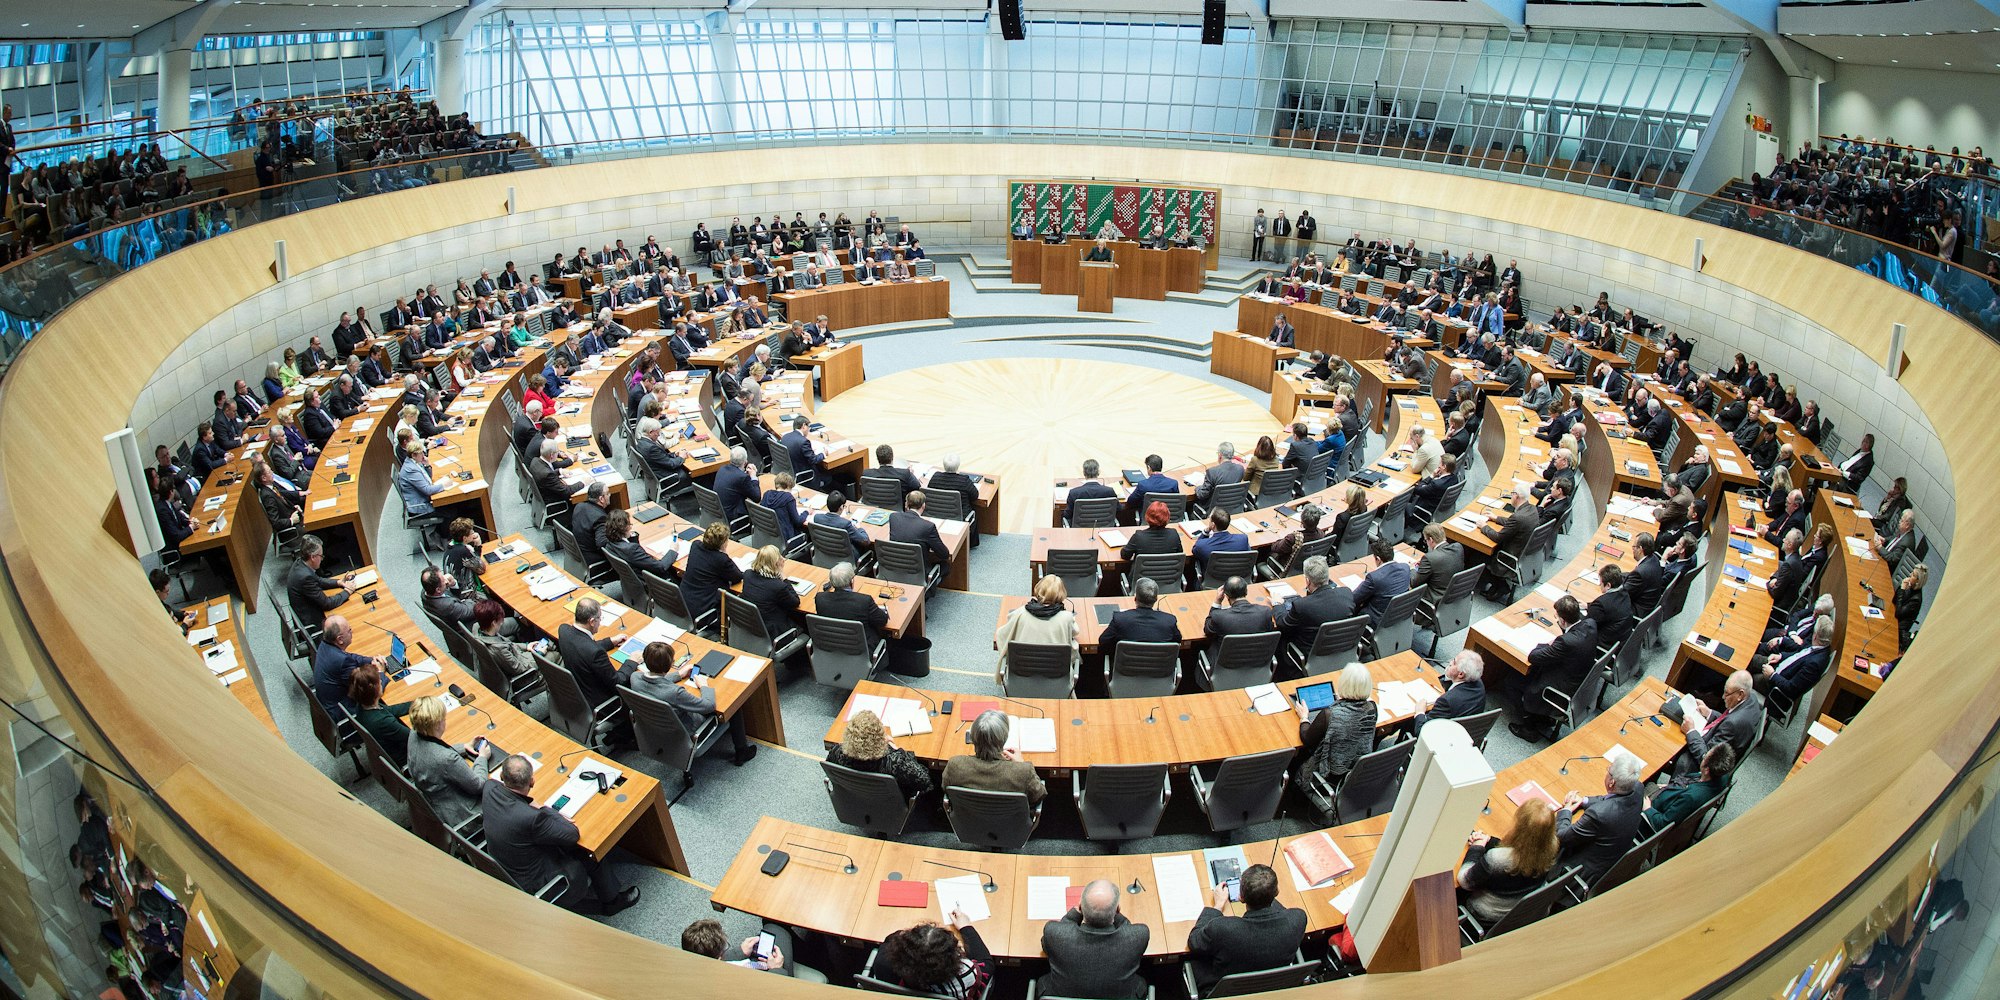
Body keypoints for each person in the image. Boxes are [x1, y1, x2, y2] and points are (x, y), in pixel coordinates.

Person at [481, 754, 639, 915]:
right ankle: (612, 903)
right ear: (532, 781)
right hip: (536, 881)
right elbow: (572, 834)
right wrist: (545, 809)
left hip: (505, 866)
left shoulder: (489, 787)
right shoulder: (531, 818)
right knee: (588, 851)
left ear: (501, 776)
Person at [1186, 863, 1307, 993]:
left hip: (1226, 989)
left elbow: (1194, 942)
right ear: (1277, 892)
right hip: (1272, 985)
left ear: (1241, 897)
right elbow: (1282, 913)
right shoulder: (1297, 919)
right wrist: (1265, 892)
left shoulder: (1223, 929)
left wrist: (1218, 905)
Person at [630, 641, 756, 765]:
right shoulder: (675, 693)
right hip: (687, 729)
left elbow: (655, 681)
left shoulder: (635, 678)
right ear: (670, 664)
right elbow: (708, 706)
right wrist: (704, 686)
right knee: (731, 704)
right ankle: (742, 751)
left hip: (655, 727)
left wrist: (679, 674)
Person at [1040, 879, 1150, 1000]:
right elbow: (1127, 929)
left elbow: (1046, 946)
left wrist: (1074, 915)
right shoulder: (1138, 936)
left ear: (1081, 907)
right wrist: (1116, 914)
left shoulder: (1054, 933)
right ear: (1118, 910)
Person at [1510, 595, 1598, 743]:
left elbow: (1533, 657)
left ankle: (1529, 726)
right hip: (1578, 678)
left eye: (1557, 618)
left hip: (1560, 688)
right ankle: (1542, 717)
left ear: (1563, 621)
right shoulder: (1590, 623)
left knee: (1511, 681)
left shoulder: (1566, 642)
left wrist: (1548, 645)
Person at [1458, 799, 1561, 924]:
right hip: (1519, 912)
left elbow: (1465, 881)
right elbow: (1519, 848)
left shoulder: (1498, 859)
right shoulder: (1551, 847)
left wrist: (1477, 847)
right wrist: (1488, 840)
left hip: (1486, 916)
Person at [1556, 754, 1646, 887]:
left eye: (1609, 769)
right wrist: (1583, 801)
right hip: (1609, 859)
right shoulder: (1637, 788)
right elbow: (1610, 799)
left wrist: (1566, 810)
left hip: (1580, 871)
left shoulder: (1599, 814)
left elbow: (1562, 836)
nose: (1607, 770)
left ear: (1612, 782)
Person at [405, 695, 489, 830]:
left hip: (439, 804)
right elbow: (478, 786)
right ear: (438, 723)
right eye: (444, 719)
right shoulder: (446, 759)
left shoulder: (414, 734)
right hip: (465, 815)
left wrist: (464, 747)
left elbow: (430, 751)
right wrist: (482, 757)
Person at [557, 597, 631, 734]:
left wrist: (610, 641)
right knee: (636, 685)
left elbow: (582, 646)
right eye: (600, 619)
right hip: (602, 703)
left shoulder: (564, 630)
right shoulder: (595, 653)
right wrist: (632, 661)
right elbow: (618, 681)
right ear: (592, 621)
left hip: (580, 692)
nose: (600, 623)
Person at [826, 708, 935, 801]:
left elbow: (831, 771)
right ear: (880, 737)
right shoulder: (896, 762)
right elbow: (925, 781)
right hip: (893, 805)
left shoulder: (836, 752)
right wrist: (898, 751)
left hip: (855, 800)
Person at [1299, 662, 1378, 788]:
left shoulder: (1330, 714)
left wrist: (1304, 717)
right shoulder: (1372, 708)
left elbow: (1307, 739)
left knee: (1296, 760)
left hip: (1329, 778)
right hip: (1357, 772)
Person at [943, 710, 1046, 803]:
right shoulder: (1024, 772)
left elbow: (945, 788)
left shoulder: (955, 765)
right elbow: (1039, 795)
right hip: (1011, 821)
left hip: (967, 820)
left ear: (972, 737)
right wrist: (1021, 764)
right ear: (1004, 739)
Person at [994, 574, 1079, 685]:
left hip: (1021, 678)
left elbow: (1001, 635)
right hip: (1056, 680)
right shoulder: (1067, 617)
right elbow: (1076, 631)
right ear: (1062, 594)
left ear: (1038, 591)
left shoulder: (1020, 613)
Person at [1678, 669, 1762, 778]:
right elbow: (1728, 718)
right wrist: (1709, 713)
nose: (1723, 697)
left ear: (1740, 694)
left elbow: (1706, 759)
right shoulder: (1751, 698)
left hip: (1703, 768)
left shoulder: (1733, 724)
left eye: (1727, 693)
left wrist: (1690, 731)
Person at [1644, 743, 1735, 831]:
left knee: (1638, 784)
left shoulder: (1691, 797)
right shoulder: (1722, 776)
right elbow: (1689, 782)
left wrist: (1648, 808)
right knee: (1650, 781)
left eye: (1704, 757)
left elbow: (1662, 824)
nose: (1703, 757)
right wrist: (1671, 787)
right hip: (1667, 795)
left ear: (1707, 770)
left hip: (1652, 810)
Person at [1274, 556, 1356, 652]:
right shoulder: (1346, 593)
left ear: (1307, 581)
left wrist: (1277, 604)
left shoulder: (1302, 605)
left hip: (1311, 653)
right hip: (1341, 649)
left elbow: (1282, 624)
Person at [310, 614, 383, 715]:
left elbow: (350, 656)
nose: (352, 632)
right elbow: (366, 689)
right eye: (349, 630)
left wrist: (371, 660)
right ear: (340, 639)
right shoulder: (341, 661)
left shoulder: (325, 645)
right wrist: (380, 671)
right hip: (343, 712)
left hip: (328, 704)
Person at [681, 520, 743, 634]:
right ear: (723, 543)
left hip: (684, 603)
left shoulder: (695, 546)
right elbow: (737, 577)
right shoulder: (721, 559)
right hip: (704, 611)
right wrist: (724, 553)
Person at [347, 663, 412, 768]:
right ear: (374, 690)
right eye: (379, 681)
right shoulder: (382, 722)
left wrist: (418, 703)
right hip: (408, 759)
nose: (381, 681)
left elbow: (390, 710)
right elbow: (414, 738)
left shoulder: (363, 705)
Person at [1757, 615, 1834, 701]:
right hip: (1777, 666)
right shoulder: (1819, 645)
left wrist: (1772, 675)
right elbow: (1797, 654)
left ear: (1815, 636)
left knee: (1746, 675)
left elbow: (1791, 689)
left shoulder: (1815, 664)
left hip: (1774, 686)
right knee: (1754, 660)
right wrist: (1780, 656)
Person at [286, 535, 354, 632]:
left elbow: (318, 580)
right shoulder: (305, 577)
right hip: (314, 625)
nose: (322, 559)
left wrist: (338, 582)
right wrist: (347, 591)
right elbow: (327, 603)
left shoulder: (300, 563)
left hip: (307, 612)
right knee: (348, 624)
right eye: (321, 556)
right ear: (313, 557)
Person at [1413, 650, 1486, 730]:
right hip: (1466, 733)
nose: (1450, 662)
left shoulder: (1446, 701)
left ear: (1461, 674)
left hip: (1443, 737)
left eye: (1454, 662)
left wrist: (1420, 712)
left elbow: (1422, 732)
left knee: (1408, 722)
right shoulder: (1479, 684)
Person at [1351, 534, 1412, 623]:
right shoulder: (1405, 568)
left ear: (1378, 559)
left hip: (1377, 620)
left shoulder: (1374, 578)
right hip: (1398, 614)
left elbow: (1354, 598)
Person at [889, 490, 951, 574]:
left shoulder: (893, 517)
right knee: (945, 566)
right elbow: (944, 554)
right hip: (919, 572)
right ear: (923, 506)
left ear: (906, 504)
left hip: (894, 567)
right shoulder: (928, 526)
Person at [1189, 507, 1248, 588]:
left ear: (1212, 525)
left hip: (1211, 583)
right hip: (1236, 583)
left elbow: (1195, 550)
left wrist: (1205, 532)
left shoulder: (1203, 545)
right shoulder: (1243, 539)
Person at [1410, 523, 1465, 605]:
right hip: (1455, 593)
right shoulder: (1458, 547)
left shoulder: (1430, 558)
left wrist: (1412, 569)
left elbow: (1414, 583)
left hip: (1435, 598)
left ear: (1431, 540)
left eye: (1426, 540)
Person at [1585, 564, 1634, 647]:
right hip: (1623, 638)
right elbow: (1608, 609)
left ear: (1608, 585)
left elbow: (1586, 627)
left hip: (1604, 644)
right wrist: (1588, 606)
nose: (1599, 585)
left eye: (1600, 583)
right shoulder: (1624, 591)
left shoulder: (1601, 604)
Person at [1063, 459, 1117, 526]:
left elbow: (1067, 514)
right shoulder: (1109, 491)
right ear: (1098, 472)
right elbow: (1118, 509)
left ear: (1084, 473)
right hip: (1104, 528)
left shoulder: (1074, 493)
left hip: (1079, 530)